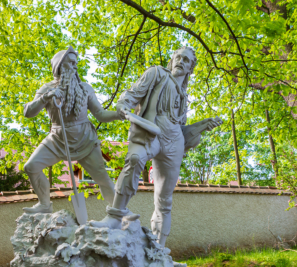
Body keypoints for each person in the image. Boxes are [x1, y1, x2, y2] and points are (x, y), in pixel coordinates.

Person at [90, 47, 222, 247]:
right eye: (178, 57)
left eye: (186, 60)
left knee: (165, 199)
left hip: (174, 141)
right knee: (134, 159)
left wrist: (203, 125)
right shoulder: (157, 73)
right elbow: (133, 94)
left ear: (190, 69)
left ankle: (159, 248)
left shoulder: (184, 95)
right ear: (172, 59)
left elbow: (181, 127)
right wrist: (124, 104)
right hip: (149, 133)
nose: (180, 61)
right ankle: (115, 217)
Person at [22, 46, 122, 214]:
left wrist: (119, 115)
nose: (75, 66)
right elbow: (28, 112)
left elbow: (100, 114)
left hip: (85, 139)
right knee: (31, 167)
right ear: (59, 66)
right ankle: (45, 205)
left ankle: (119, 212)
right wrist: (45, 97)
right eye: (71, 63)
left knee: (102, 178)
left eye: (76, 63)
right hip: (57, 138)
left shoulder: (85, 88)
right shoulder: (47, 89)